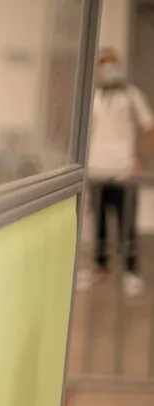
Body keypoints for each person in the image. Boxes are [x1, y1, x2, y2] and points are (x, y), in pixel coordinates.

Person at [80, 47, 154, 297]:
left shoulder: (131, 94)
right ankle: (100, 268)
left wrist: (141, 161)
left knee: (126, 223)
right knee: (99, 222)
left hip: (123, 171)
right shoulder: (93, 96)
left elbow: (149, 127)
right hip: (97, 169)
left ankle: (130, 272)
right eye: (103, 65)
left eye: (111, 65)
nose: (107, 70)